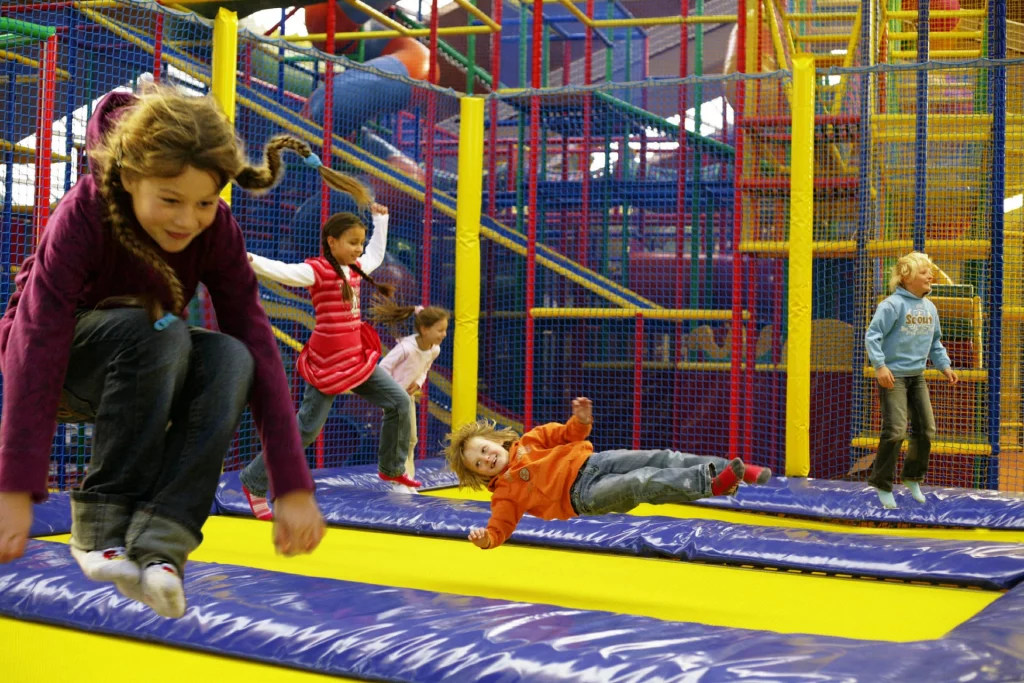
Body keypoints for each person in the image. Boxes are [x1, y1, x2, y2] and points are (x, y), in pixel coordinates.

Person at [0, 86, 347, 616]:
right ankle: (101, 526)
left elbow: (256, 341)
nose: (187, 219)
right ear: (130, 178)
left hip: (147, 365)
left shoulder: (217, 230)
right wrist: (16, 484)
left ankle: (163, 541)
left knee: (232, 357)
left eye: (204, 203)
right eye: (170, 200)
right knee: (156, 327)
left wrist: (291, 483)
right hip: (66, 364)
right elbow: (36, 338)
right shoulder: (86, 211)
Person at [238, 206, 421, 518]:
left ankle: (391, 468)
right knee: (307, 430)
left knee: (399, 402)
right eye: (352, 242)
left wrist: (381, 220)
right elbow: (283, 271)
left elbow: (376, 255)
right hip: (327, 364)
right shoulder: (317, 271)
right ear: (332, 242)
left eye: (360, 243)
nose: (359, 249)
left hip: (356, 360)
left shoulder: (356, 268)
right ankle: (254, 482)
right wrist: (249, 259)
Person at [444, 397, 772, 550]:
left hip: (595, 462)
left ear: (494, 440)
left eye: (484, 449)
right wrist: (486, 539)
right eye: (479, 464)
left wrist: (581, 420)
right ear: (480, 475)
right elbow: (500, 528)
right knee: (639, 483)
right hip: (583, 496)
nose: (486, 459)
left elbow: (570, 435)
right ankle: (711, 484)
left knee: (661, 457)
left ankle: (735, 471)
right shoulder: (504, 495)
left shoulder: (531, 439)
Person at [865, 251, 959, 509]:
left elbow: (935, 342)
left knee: (926, 429)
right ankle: (882, 483)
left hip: (917, 377)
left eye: (930, 272)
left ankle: (912, 476)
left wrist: (944, 365)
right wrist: (880, 366)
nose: (931, 276)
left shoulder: (930, 308)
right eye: (924, 272)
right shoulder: (892, 305)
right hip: (893, 376)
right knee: (896, 430)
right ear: (906, 278)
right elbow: (872, 336)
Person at [377, 304, 450, 489]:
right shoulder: (406, 348)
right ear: (424, 330)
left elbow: (424, 368)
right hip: (393, 398)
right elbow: (383, 368)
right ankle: (398, 480)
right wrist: (390, 390)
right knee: (401, 438)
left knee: (411, 439)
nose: (444, 334)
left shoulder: (434, 349)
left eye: (445, 330)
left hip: (406, 397)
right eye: (440, 330)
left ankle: (405, 478)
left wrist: (418, 382)